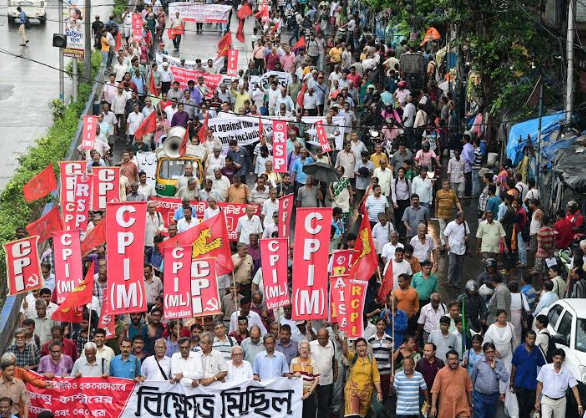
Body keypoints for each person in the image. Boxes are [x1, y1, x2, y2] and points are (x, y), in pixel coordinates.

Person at [342, 336, 383, 418]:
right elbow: (345, 352)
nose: (361, 347)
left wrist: (379, 392)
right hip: (352, 391)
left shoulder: (371, 359)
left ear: (366, 347)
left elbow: (376, 376)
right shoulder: (353, 357)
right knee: (353, 415)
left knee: (360, 416)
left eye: (363, 345)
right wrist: (345, 339)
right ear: (355, 348)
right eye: (359, 346)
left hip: (366, 393)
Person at [535, 348, 583, 418]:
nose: (558, 360)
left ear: (563, 360)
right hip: (546, 400)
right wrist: (537, 401)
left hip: (561, 402)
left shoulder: (567, 371)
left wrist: (579, 405)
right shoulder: (545, 368)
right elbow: (539, 385)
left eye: (560, 358)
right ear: (553, 358)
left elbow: (574, 388)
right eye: (556, 358)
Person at [510, 330, 545, 418]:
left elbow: (543, 365)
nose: (531, 341)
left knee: (530, 405)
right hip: (520, 383)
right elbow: (514, 367)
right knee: (522, 407)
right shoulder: (519, 350)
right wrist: (511, 381)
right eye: (529, 338)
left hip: (532, 384)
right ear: (526, 338)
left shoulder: (537, 350)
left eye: (533, 339)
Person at [430, 350, 473, 418]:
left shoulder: (464, 372)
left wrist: (470, 404)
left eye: (456, 359)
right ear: (447, 360)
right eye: (451, 359)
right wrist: (433, 407)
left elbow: (469, 388)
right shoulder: (441, 372)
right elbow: (435, 391)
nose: (454, 361)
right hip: (446, 408)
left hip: (462, 407)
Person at [471, 342, 509, 418]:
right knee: (479, 416)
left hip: (493, 397)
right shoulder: (478, 363)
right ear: (484, 353)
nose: (490, 354)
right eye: (488, 352)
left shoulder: (499, 363)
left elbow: (505, 378)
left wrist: (495, 369)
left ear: (495, 351)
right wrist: (473, 396)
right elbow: (473, 379)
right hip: (479, 396)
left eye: (492, 351)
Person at [483, 310, 516, 393]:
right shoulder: (492, 328)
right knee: (495, 373)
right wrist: (494, 351)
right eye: (500, 317)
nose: (502, 319)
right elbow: (487, 342)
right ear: (497, 317)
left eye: (504, 317)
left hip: (508, 355)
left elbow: (514, 340)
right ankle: (495, 392)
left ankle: (505, 393)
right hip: (495, 356)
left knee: (507, 373)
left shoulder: (510, 326)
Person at [310, 328, 338, 418]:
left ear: (328, 337)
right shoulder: (311, 345)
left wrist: (336, 373)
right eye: (319, 338)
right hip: (312, 381)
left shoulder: (333, 344)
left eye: (324, 338)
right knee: (312, 404)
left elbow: (335, 360)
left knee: (324, 405)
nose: (321, 340)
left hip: (327, 380)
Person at [291, 341, 320, 418]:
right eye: (302, 348)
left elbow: (316, 379)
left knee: (309, 415)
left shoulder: (313, 362)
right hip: (296, 394)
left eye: (306, 348)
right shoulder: (294, 361)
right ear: (299, 350)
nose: (304, 350)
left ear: (309, 350)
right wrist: (294, 375)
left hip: (309, 393)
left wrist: (309, 393)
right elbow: (289, 378)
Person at [367, 318, 394, 397]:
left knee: (385, 393)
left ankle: (384, 409)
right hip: (374, 372)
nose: (381, 326)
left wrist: (392, 373)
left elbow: (391, 357)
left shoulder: (390, 339)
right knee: (374, 394)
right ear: (376, 326)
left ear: (385, 326)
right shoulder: (370, 339)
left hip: (386, 372)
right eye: (379, 324)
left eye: (383, 325)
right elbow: (369, 357)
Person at [443, 211, 469, 288]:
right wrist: (447, 244)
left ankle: (456, 282)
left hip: (462, 248)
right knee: (453, 264)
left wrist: (467, 237)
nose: (463, 219)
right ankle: (449, 280)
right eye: (462, 218)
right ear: (458, 218)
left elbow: (467, 233)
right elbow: (445, 235)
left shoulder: (464, 224)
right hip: (453, 248)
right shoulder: (451, 225)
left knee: (460, 266)